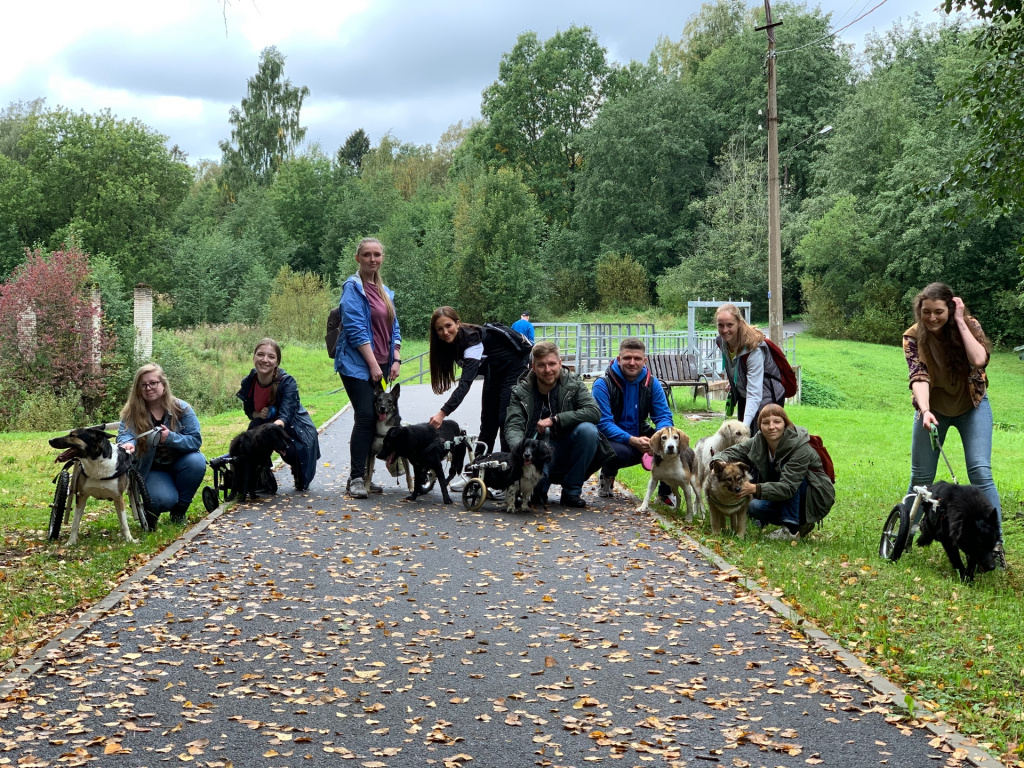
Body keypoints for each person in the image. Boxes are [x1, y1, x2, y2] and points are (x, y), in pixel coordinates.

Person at [903, 282, 1002, 547]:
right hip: (932, 410)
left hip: (972, 407)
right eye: (926, 312)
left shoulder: (969, 325)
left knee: (980, 472)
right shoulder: (912, 337)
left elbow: (979, 359)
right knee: (921, 478)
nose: (932, 318)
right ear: (919, 311)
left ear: (950, 308)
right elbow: (919, 376)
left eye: (939, 311)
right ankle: (906, 533)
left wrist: (960, 321)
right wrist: (924, 410)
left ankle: (995, 542)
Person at [504, 341, 614, 508]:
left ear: (560, 363)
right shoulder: (521, 391)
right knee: (536, 499)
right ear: (533, 367)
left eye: (552, 364)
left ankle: (572, 491)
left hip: (566, 448)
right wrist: (520, 450)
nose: (547, 370)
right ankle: (534, 489)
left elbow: (594, 412)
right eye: (541, 365)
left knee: (589, 430)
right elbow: (513, 425)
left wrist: (556, 419)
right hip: (534, 454)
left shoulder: (574, 384)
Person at [334, 237, 402, 499]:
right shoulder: (353, 288)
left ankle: (369, 477)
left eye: (377, 255)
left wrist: (394, 357)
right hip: (355, 365)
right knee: (364, 415)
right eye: (367, 255)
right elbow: (355, 329)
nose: (372, 259)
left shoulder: (385, 291)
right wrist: (373, 365)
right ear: (358, 258)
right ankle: (355, 478)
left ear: (382, 258)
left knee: (378, 416)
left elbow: (394, 326)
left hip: (383, 362)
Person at [717, 404, 835, 541]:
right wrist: (718, 461)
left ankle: (790, 530)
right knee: (754, 506)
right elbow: (733, 451)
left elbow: (788, 487)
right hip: (784, 493)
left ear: (785, 423)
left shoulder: (799, 447)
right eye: (765, 422)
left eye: (777, 422)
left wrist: (755, 488)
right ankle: (802, 524)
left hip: (812, 496)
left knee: (787, 470)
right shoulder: (759, 441)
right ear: (760, 426)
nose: (771, 426)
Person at [428, 307, 532, 461]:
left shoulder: (472, 341)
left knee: (505, 419)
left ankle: (509, 468)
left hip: (514, 368)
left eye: (448, 326)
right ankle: (479, 469)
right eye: (440, 329)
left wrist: (442, 413)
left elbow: (465, 384)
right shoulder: (451, 343)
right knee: (488, 422)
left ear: (457, 323)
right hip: (494, 370)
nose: (445, 332)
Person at [117, 363, 207, 527]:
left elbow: (195, 440)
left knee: (197, 461)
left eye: (153, 383)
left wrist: (170, 438)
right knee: (163, 500)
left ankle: (179, 511)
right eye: (143, 385)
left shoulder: (182, 408)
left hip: (181, 464)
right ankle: (154, 508)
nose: (148, 388)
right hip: (150, 468)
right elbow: (125, 434)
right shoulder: (132, 412)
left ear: (163, 385)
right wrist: (128, 445)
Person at [592, 337, 675, 505]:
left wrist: (659, 438)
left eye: (637, 358)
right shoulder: (602, 384)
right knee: (620, 453)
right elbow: (603, 423)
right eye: (627, 358)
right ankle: (607, 476)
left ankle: (665, 495)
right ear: (618, 359)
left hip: (638, 430)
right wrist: (632, 440)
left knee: (671, 444)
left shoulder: (652, 383)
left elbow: (664, 416)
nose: (632, 363)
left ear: (644, 361)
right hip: (610, 436)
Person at [237, 338, 321, 492]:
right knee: (253, 429)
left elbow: (286, 413)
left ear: (277, 362)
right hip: (267, 424)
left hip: (294, 428)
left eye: (271, 356)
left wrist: (273, 428)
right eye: (260, 355)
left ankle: (297, 471)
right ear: (254, 357)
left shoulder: (287, 382)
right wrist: (260, 415)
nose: (265, 360)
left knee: (291, 454)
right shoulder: (249, 381)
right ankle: (263, 473)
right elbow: (249, 411)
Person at [715, 303, 786, 433]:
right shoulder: (721, 341)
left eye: (730, 325)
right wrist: (734, 383)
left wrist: (743, 428)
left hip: (767, 396)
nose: (725, 330)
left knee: (760, 440)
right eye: (721, 325)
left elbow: (755, 394)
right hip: (744, 394)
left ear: (739, 323)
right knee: (744, 443)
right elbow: (734, 365)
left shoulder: (754, 349)